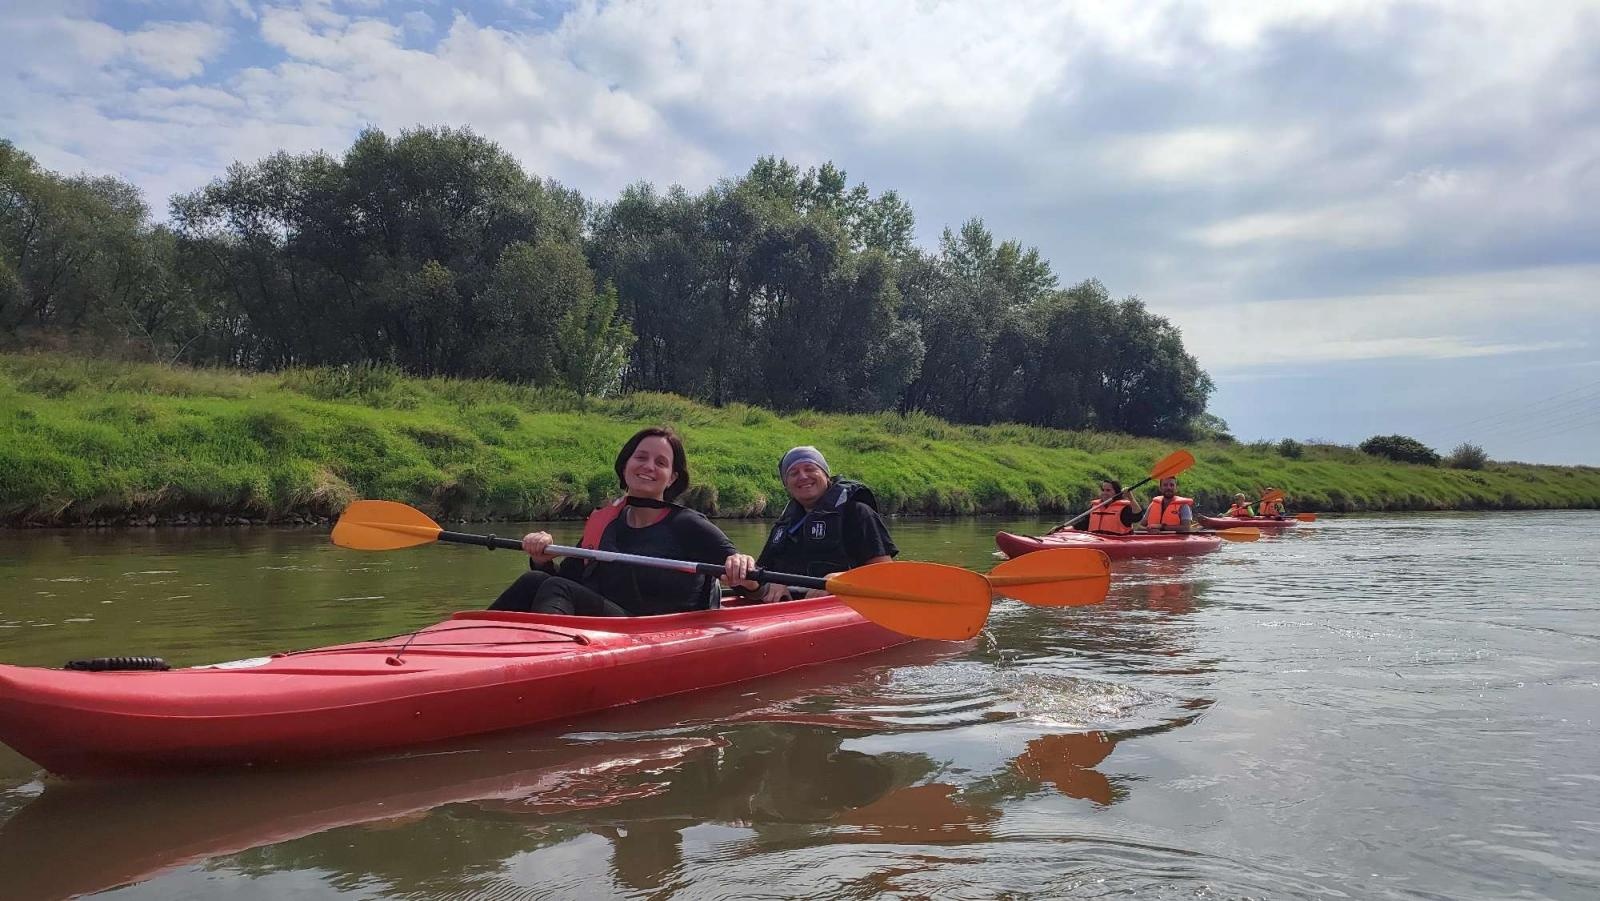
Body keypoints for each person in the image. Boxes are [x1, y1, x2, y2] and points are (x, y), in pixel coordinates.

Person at [489, 426, 757, 616]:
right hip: (611, 625)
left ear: (672, 478)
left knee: (556, 588)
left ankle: (545, 664)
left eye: (660, 462)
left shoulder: (689, 525)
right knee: (534, 579)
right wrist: (542, 560)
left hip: (654, 632)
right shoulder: (605, 522)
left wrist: (742, 565)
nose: (648, 466)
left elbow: (755, 586)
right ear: (626, 465)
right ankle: (467, 646)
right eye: (640, 457)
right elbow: (567, 581)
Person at [739, 446, 897, 603]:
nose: (802, 476)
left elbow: (885, 575)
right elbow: (759, 579)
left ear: (826, 475)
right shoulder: (784, 524)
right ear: (786, 484)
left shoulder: (858, 513)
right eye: (793, 473)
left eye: (810, 469)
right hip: (789, 608)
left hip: (843, 606)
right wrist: (768, 585)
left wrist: (842, 580)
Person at [1067, 480, 1143, 534]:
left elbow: (1137, 517)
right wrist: (1065, 529)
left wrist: (1131, 498)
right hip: (1095, 540)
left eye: (1108, 490)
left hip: (1116, 543)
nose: (1104, 493)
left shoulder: (1124, 508)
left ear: (1117, 493)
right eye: (1103, 490)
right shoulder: (1095, 507)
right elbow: (1083, 524)